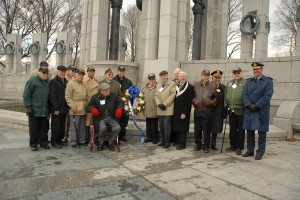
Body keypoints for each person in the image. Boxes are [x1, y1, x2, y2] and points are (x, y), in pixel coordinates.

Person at [242, 62, 274, 160]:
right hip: (250, 109)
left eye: (257, 69)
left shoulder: (268, 81)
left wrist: (257, 105)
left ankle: (260, 152)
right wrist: (248, 104)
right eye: (254, 70)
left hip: (261, 110)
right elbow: (245, 94)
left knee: (261, 132)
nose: (256, 71)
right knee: (250, 131)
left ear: (261, 70)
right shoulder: (249, 81)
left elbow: (267, 95)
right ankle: (250, 150)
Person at [87, 82, 123, 151]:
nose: (108, 91)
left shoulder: (114, 96)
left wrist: (119, 108)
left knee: (117, 128)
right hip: (100, 118)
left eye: (108, 89)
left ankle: (110, 142)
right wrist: (93, 109)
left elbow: (121, 102)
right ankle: (101, 142)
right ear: (101, 91)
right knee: (103, 128)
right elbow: (88, 106)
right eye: (106, 90)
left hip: (111, 117)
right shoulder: (95, 97)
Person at [23, 67, 50, 151]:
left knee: (44, 128)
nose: (46, 74)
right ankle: (33, 144)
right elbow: (26, 95)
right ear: (39, 73)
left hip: (44, 110)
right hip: (34, 110)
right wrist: (28, 107)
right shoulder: (32, 81)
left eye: (47, 73)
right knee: (33, 129)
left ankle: (43, 143)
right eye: (44, 72)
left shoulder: (48, 82)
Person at [192, 69, 217, 153]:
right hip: (198, 110)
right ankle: (198, 144)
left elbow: (216, 97)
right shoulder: (195, 85)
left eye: (207, 75)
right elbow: (193, 96)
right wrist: (194, 102)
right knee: (197, 129)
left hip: (207, 110)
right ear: (201, 76)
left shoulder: (212, 86)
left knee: (206, 130)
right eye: (204, 75)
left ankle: (206, 146)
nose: (206, 77)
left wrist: (210, 103)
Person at [224, 67, 246, 155]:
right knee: (232, 129)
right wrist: (226, 105)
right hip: (231, 110)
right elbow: (225, 96)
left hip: (241, 110)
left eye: (238, 73)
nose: (236, 74)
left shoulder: (245, 83)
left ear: (241, 73)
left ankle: (239, 147)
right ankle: (233, 145)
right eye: (235, 73)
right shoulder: (230, 83)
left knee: (240, 129)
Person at [65, 68, 88, 148]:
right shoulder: (70, 83)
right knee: (75, 126)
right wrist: (73, 107)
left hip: (83, 108)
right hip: (75, 109)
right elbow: (68, 97)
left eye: (82, 75)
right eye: (80, 75)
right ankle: (74, 141)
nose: (81, 76)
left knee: (82, 126)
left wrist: (86, 105)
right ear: (75, 74)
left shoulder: (83, 83)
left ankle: (81, 141)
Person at [154, 70, 176, 149]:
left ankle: (167, 142)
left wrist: (164, 104)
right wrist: (159, 103)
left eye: (164, 76)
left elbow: (172, 95)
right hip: (160, 108)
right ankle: (162, 140)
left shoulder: (172, 84)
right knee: (161, 126)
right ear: (160, 77)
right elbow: (155, 95)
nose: (163, 77)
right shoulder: (158, 84)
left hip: (168, 109)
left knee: (167, 126)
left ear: (167, 76)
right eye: (161, 76)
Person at [172, 71, 194, 150]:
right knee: (177, 126)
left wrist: (185, 112)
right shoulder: (176, 86)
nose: (182, 78)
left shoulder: (190, 87)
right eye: (181, 76)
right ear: (178, 77)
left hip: (184, 111)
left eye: (184, 76)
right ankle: (178, 142)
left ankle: (182, 144)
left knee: (183, 128)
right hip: (176, 110)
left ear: (186, 77)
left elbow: (189, 102)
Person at [49, 65, 69, 148]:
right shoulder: (53, 81)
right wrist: (56, 108)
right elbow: (52, 96)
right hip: (56, 108)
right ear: (57, 72)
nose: (63, 73)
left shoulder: (66, 81)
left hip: (64, 107)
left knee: (62, 125)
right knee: (56, 126)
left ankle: (60, 140)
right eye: (61, 72)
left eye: (64, 72)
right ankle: (54, 141)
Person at [113, 66, 133, 142]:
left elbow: (131, 94)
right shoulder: (114, 80)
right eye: (120, 71)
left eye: (123, 71)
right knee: (117, 121)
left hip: (126, 105)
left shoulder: (128, 82)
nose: (121, 73)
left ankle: (122, 136)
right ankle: (116, 136)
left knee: (124, 122)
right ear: (117, 71)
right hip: (116, 105)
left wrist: (130, 104)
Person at [83, 66, 99, 145]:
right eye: (90, 71)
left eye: (93, 71)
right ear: (87, 72)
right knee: (87, 123)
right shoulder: (84, 81)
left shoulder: (96, 81)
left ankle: (95, 139)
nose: (91, 73)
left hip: (96, 105)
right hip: (88, 104)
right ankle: (86, 139)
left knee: (95, 122)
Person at [210, 70, 225, 151]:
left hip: (218, 111)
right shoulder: (208, 86)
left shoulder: (223, 87)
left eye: (219, 78)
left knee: (215, 129)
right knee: (207, 128)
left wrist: (224, 111)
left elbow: (224, 100)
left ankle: (213, 144)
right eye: (215, 78)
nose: (217, 79)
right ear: (212, 78)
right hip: (209, 110)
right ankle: (206, 143)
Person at [141, 73, 159, 144]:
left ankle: (155, 138)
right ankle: (149, 137)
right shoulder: (144, 88)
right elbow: (140, 97)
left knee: (154, 126)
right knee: (148, 126)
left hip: (155, 110)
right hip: (147, 110)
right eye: (150, 79)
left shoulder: (158, 88)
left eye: (153, 79)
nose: (152, 80)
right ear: (148, 80)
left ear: (155, 79)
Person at [62, 65, 77, 144]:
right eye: (72, 71)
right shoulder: (65, 80)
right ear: (68, 71)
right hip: (65, 103)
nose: (74, 72)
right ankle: (65, 136)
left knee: (71, 121)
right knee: (65, 122)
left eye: (75, 71)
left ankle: (71, 137)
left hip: (73, 104)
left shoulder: (76, 80)